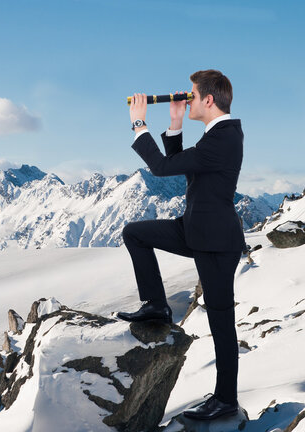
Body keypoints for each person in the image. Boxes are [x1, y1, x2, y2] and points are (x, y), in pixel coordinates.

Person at [118, 69, 247, 421]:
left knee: (221, 322)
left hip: (216, 243)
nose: (187, 98)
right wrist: (174, 122)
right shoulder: (217, 134)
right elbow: (180, 167)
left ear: (207, 100)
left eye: (191, 95)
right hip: (195, 230)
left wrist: (139, 123)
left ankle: (225, 400)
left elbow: (160, 167)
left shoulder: (224, 137)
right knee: (135, 233)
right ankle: (157, 306)